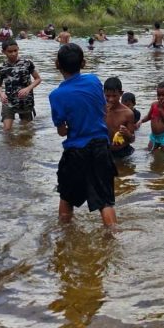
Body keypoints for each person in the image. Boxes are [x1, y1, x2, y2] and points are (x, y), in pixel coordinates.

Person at [49, 43, 117, 226]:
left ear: (57, 64)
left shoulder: (56, 95)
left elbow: (62, 131)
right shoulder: (94, 81)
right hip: (101, 146)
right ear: (84, 63)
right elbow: (103, 111)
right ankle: (113, 239)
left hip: (76, 151)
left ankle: (63, 238)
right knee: (105, 201)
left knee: (67, 197)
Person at [0, 39, 42, 131]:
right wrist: (1, 94)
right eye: (10, 51)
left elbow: (38, 79)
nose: (13, 53)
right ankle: (9, 145)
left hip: (25, 101)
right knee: (6, 130)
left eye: (15, 51)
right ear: (3, 52)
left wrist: (28, 89)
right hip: (8, 101)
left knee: (26, 131)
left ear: (18, 49)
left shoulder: (27, 63)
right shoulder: (1, 66)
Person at [137, 80, 164, 153]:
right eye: (158, 95)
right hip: (154, 135)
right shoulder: (154, 105)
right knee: (149, 151)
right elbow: (148, 116)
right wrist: (141, 121)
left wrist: (161, 109)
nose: (160, 97)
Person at [103, 77, 136, 159]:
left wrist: (127, 133)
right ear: (103, 93)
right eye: (107, 96)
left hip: (123, 151)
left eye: (114, 96)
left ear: (121, 93)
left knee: (124, 171)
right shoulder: (100, 110)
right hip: (105, 150)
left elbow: (132, 139)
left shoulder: (128, 113)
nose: (111, 99)